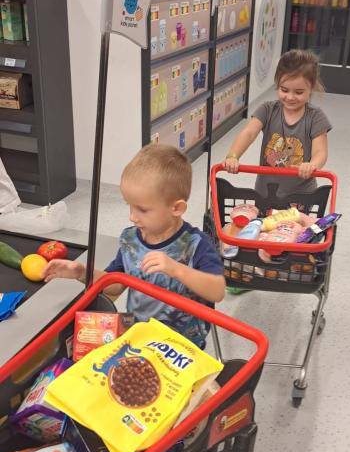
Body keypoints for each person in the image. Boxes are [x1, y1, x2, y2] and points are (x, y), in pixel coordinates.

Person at [44, 143, 225, 348]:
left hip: (182, 344)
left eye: (142, 210)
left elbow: (217, 291)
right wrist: (81, 272)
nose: (132, 217)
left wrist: (177, 270)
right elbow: (115, 285)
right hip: (139, 334)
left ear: (176, 208)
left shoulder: (196, 244)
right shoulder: (131, 240)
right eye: (129, 205)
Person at [224, 49, 331, 198]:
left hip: (301, 194)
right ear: (277, 84)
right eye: (284, 90)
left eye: (298, 92)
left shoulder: (315, 117)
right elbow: (248, 133)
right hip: (266, 192)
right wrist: (233, 156)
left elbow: (320, 152)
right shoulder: (267, 110)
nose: (290, 97)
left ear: (311, 88)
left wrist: (312, 165)